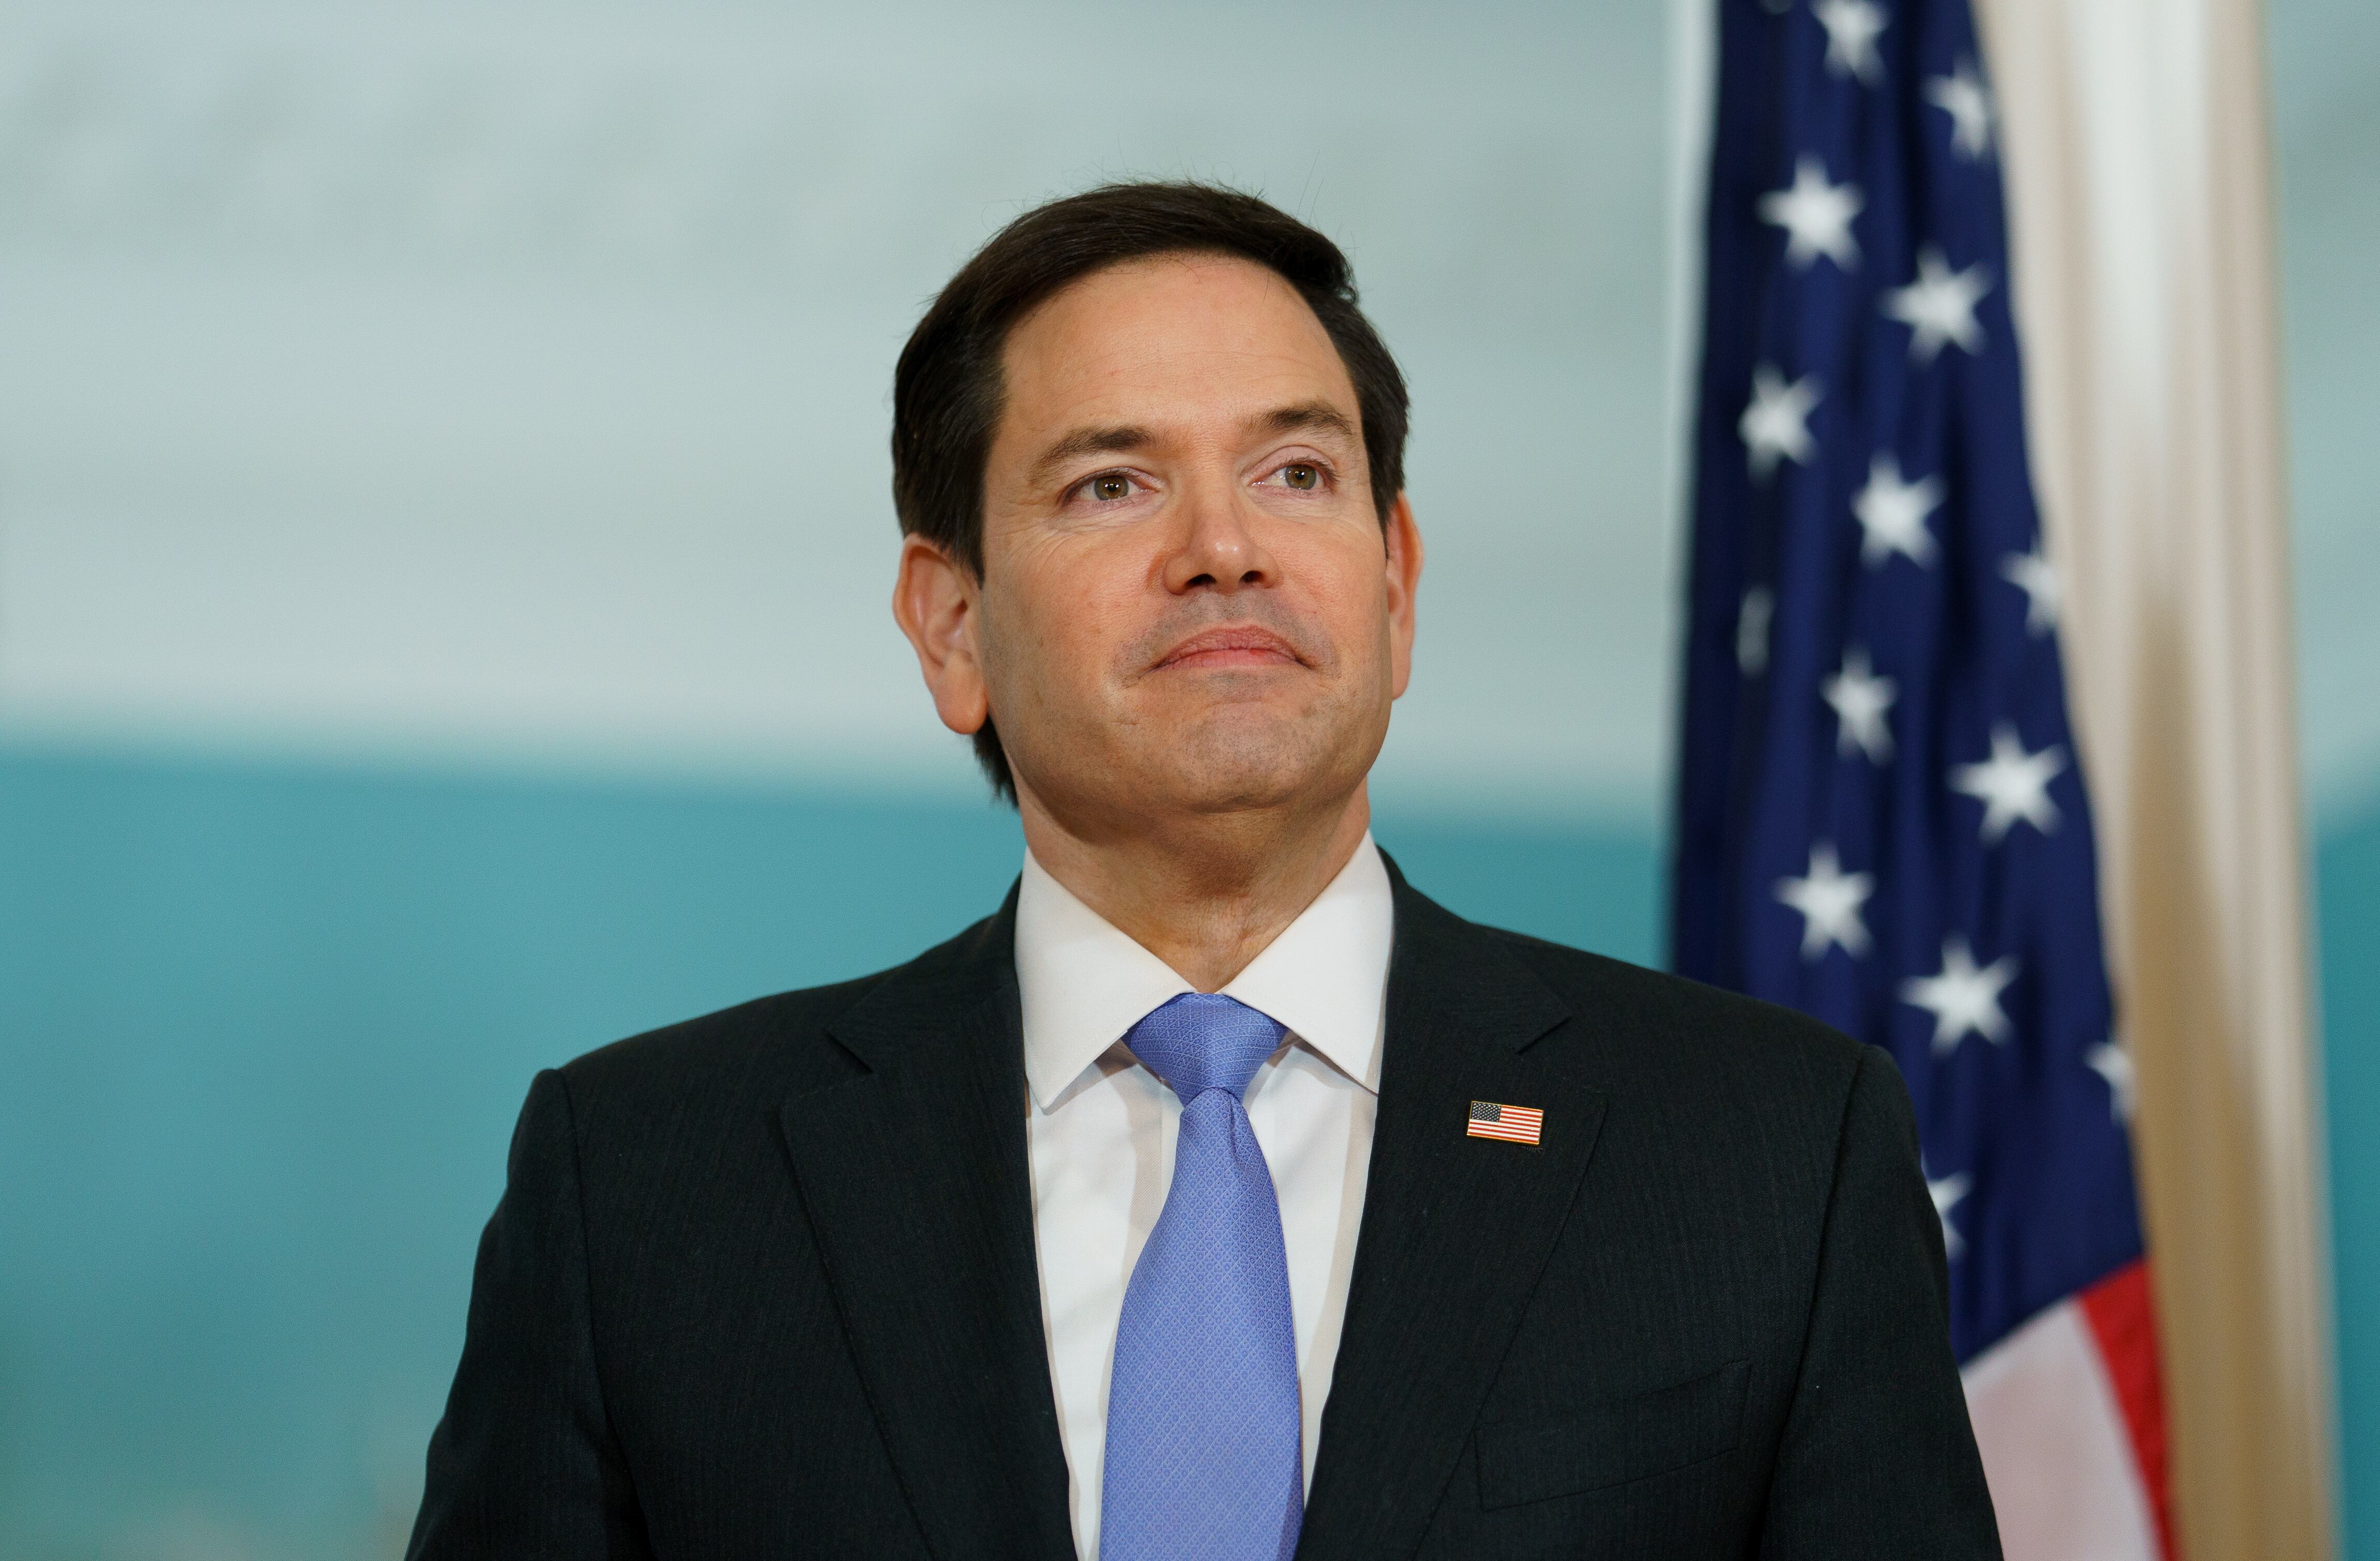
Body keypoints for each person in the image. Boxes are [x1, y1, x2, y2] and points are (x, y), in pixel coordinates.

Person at [407, 182, 2000, 1560]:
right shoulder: (647, 1189)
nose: (1223, 546)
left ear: (1396, 581)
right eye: (1112, 482)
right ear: (949, 622)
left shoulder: (1766, 1158)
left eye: (1296, 473)